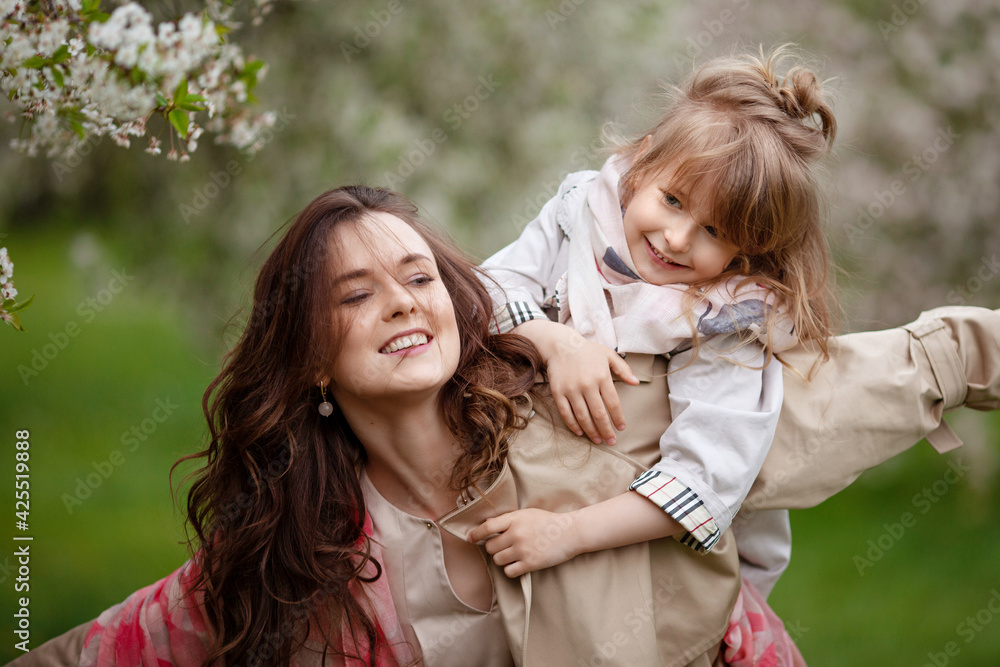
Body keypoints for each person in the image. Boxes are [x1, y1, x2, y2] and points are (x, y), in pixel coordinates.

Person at [11, 185, 1000, 666]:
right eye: (356, 295)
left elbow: (848, 387)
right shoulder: (294, 558)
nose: (402, 302)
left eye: (417, 277)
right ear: (310, 356)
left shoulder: (586, 408)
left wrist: (972, 352)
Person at [476, 46, 834, 597]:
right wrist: (557, 342)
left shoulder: (727, 320)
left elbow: (702, 479)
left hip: (649, 567)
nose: (676, 239)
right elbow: (485, 290)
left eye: (714, 231)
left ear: (747, 250)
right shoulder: (583, 214)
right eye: (672, 200)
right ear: (642, 164)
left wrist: (567, 533)